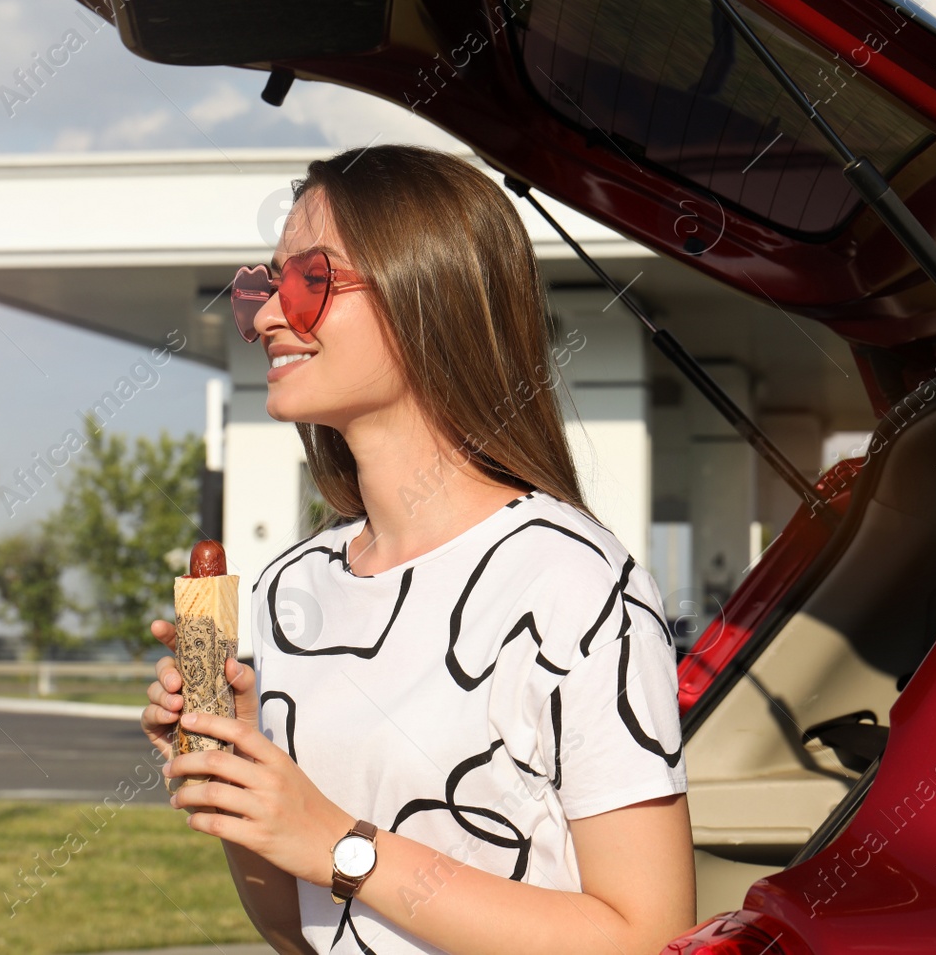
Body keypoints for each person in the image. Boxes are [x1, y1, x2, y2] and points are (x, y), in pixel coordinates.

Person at [140, 144, 694, 955]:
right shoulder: (292, 590)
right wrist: (241, 774)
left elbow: (648, 936)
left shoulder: (575, 583)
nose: (263, 316)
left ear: (426, 294)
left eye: (308, 281)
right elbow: (301, 932)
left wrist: (337, 842)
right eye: (263, 285)